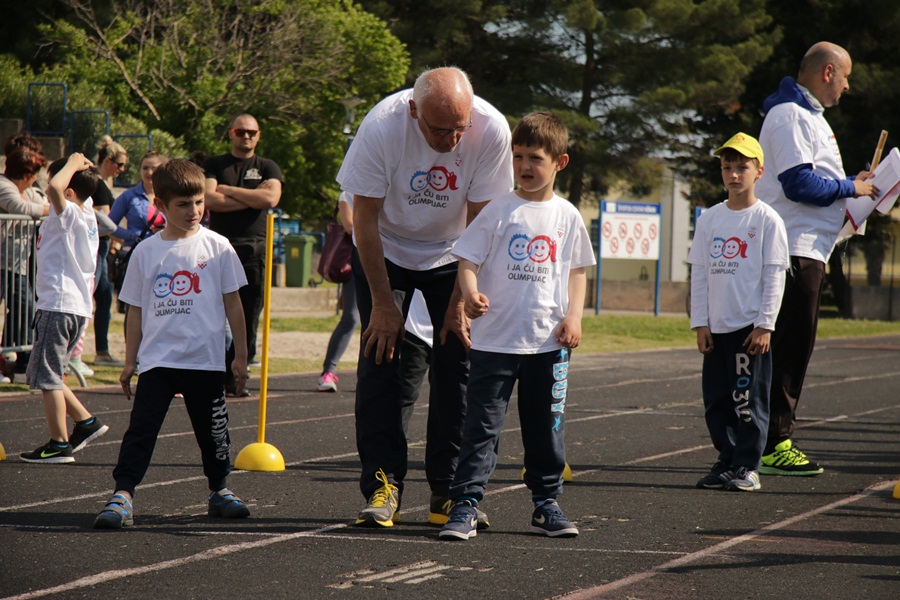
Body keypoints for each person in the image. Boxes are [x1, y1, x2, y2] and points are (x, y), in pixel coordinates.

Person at [336, 66, 513, 528]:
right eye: (439, 130)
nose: (452, 141)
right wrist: (383, 305)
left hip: (456, 251)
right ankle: (383, 485)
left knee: (460, 363)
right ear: (414, 110)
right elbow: (363, 221)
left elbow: (481, 224)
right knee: (380, 359)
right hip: (386, 245)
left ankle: (449, 491)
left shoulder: (491, 128)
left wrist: (458, 302)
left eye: (460, 129)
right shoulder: (381, 126)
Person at [438, 112, 593, 541]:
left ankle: (546, 504)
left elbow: (578, 271)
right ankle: (466, 504)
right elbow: (467, 260)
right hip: (495, 344)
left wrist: (574, 317)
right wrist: (470, 294)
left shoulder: (567, 215)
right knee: (481, 429)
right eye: (518, 156)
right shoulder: (499, 210)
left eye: (535, 158)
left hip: (547, 345)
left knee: (546, 430)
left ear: (560, 162)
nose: (524, 166)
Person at [93, 159, 250, 528]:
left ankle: (220, 489)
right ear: (160, 205)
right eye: (183, 204)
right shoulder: (146, 252)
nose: (194, 211)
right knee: (141, 430)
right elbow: (135, 312)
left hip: (205, 361)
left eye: (199, 202)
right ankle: (123, 494)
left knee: (214, 433)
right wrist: (130, 361)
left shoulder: (218, 247)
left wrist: (240, 355)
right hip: (158, 362)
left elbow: (233, 303)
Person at [756, 41, 877, 476]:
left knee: (791, 348)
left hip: (807, 248)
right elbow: (799, 185)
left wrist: (852, 185)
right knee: (788, 350)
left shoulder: (808, 115)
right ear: (828, 72)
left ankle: (764, 440)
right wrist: (850, 188)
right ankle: (773, 443)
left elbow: (815, 178)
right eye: (845, 77)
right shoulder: (790, 114)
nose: (847, 86)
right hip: (793, 248)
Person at [688, 133, 790, 493]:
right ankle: (727, 459)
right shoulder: (710, 219)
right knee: (717, 401)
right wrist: (700, 322)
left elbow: (774, 275)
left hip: (749, 330)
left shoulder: (767, 220)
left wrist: (765, 325)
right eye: (727, 167)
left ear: (759, 172)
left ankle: (748, 465)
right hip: (716, 329)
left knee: (748, 401)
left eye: (742, 167)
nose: (733, 174)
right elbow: (699, 273)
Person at [19, 153, 109, 464]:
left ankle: (59, 443)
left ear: (69, 192)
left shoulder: (68, 212)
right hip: (73, 307)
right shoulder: (86, 212)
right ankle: (86, 422)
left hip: (59, 305)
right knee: (50, 372)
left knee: (47, 378)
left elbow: (56, 189)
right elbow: (67, 188)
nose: (48, 190)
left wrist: (71, 164)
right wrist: (79, 168)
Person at [203, 114, 283, 395]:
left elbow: (270, 198)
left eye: (251, 132)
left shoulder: (268, 166)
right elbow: (209, 200)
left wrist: (228, 191)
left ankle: (234, 376)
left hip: (254, 251)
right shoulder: (214, 164)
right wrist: (251, 198)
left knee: (248, 317)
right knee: (210, 314)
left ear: (258, 135)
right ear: (231, 134)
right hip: (218, 250)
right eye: (240, 131)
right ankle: (207, 374)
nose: (246, 136)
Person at [0, 136, 50, 381]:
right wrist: (59, 209)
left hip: (14, 265)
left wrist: (51, 207)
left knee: (26, 309)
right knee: (26, 308)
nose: (36, 178)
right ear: (27, 173)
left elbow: (41, 203)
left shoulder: (27, 190)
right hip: (5, 263)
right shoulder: (4, 186)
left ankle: (20, 365)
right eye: (35, 173)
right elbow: (23, 209)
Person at [90, 136, 128, 368]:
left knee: (103, 297)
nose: (122, 169)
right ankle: (100, 351)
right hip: (98, 246)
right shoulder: (99, 184)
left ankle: (101, 350)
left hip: (102, 246)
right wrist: (125, 237)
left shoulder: (102, 182)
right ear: (107, 161)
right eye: (119, 164)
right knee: (102, 296)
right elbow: (105, 222)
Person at [317, 192, 360, 392]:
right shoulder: (347, 195)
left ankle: (372, 376)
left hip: (385, 261)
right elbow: (350, 227)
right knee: (351, 318)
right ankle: (328, 372)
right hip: (356, 265)